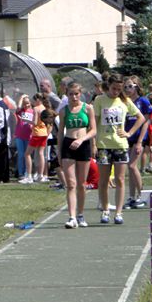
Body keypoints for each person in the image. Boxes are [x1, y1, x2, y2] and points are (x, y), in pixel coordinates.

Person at [93, 72, 144, 224]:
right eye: (114, 88)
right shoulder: (100, 100)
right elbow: (94, 123)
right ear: (108, 86)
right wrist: (94, 143)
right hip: (104, 145)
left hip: (120, 145)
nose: (116, 92)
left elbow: (141, 117)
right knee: (103, 179)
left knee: (120, 179)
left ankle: (119, 212)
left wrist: (129, 132)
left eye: (119, 89)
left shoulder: (125, 101)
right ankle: (106, 209)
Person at [57, 82, 96, 229]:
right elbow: (60, 132)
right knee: (71, 184)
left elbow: (93, 130)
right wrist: (59, 152)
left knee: (81, 184)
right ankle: (71, 216)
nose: (73, 97)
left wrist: (82, 140)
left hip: (83, 145)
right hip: (68, 145)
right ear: (67, 95)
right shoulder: (64, 111)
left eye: (76, 94)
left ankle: (80, 214)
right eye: (71, 94)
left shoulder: (88, 108)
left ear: (81, 94)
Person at [123, 77, 151, 209]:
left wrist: (140, 142)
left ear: (136, 87)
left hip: (138, 137)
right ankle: (132, 196)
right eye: (125, 87)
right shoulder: (125, 101)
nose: (127, 89)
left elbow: (146, 121)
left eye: (130, 86)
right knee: (130, 167)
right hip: (127, 137)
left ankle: (142, 194)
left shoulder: (143, 101)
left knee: (132, 165)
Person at [13, 94, 34, 180]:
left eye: (28, 103)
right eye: (24, 104)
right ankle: (21, 173)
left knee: (27, 154)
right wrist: (21, 98)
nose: (26, 105)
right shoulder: (20, 111)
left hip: (28, 136)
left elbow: (34, 123)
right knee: (21, 154)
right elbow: (17, 107)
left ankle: (27, 172)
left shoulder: (33, 111)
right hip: (19, 136)